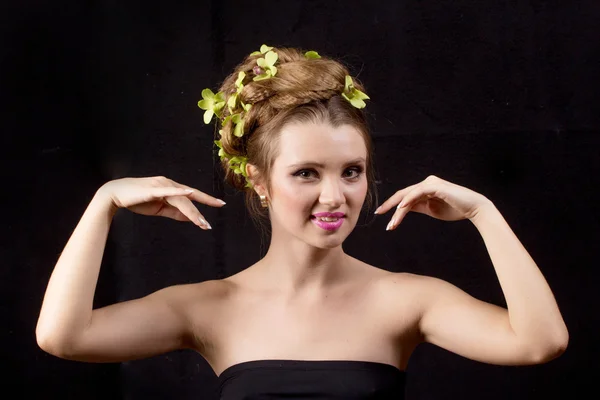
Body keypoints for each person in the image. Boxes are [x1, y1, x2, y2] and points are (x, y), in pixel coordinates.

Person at [36, 45, 569, 399]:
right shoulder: (209, 307)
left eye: (352, 171)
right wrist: (103, 203)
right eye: (307, 173)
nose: (334, 196)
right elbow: (64, 336)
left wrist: (484, 213)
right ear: (260, 182)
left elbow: (538, 342)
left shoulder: (408, 300)